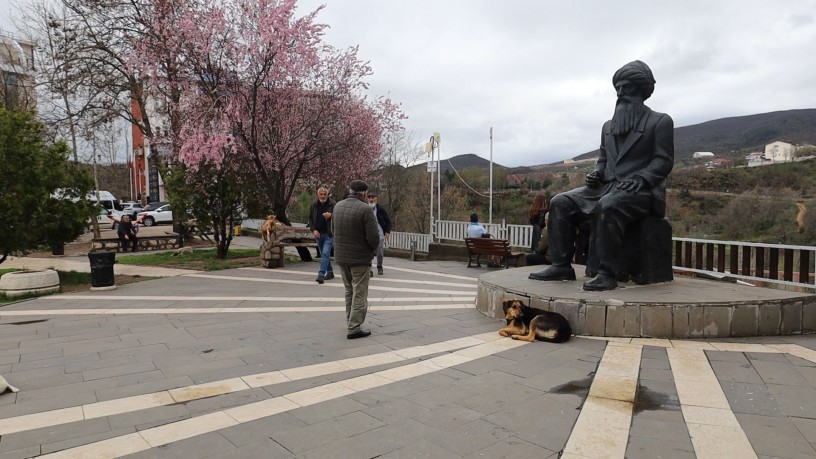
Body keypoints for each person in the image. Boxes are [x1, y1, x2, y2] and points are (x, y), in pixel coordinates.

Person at [529, 60, 674, 291]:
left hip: (640, 191)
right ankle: (561, 265)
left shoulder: (660, 121)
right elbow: (603, 160)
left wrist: (642, 178)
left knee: (609, 205)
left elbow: (663, 160)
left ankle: (607, 273)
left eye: (626, 87)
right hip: (606, 186)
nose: (620, 92)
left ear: (640, 90)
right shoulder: (608, 126)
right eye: (618, 87)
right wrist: (596, 173)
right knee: (560, 202)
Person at [332, 180, 380, 339]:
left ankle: (349, 321)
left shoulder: (337, 206)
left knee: (348, 290)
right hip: (359, 258)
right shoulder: (365, 209)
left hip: (342, 257)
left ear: (350, 191)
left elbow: (333, 230)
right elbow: (373, 237)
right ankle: (354, 327)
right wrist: (372, 251)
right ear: (364, 194)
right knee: (359, 292)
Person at [307, 187, 335, 284]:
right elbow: (310, 219)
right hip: (318, 234)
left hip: (329, 233)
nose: (323, 196)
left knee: (325, 253)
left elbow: (339, 215)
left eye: (324, 194)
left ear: (327, 195)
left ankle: (321, 274)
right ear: (318, 195)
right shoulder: (314, 205)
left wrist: (331, 215)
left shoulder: (333, 204)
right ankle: (330, 272)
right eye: (321, 194)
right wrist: (313, 230)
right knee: (324, 254)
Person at [367, 192, 392, 275]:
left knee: (380, 252)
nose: (371, 199)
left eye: (373, 197)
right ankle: (369, 269)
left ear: (376, 199)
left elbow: (388, 221)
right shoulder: (364, 209)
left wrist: (387, 231)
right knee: (368, 252)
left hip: (379, 234)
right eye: (369, 197)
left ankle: (379, 266)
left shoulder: (381, 209)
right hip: (367, 234)